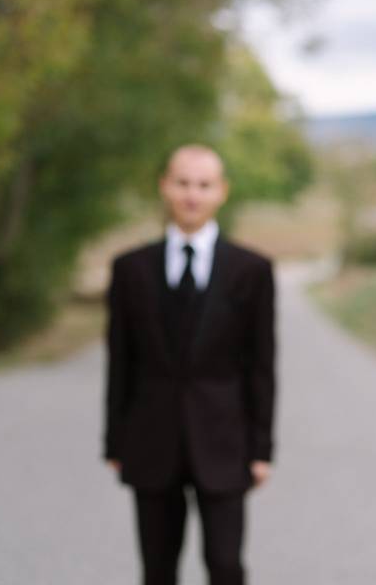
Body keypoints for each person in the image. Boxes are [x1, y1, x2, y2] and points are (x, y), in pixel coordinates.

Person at [103, 145, 275, 585]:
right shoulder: (129, 269)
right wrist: (115, 440)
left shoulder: (252, 270)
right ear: (165, 187)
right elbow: (120, 360)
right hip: (149, 437)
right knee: (157, 569)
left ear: (222, 192)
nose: (192, 195)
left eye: (203, 185)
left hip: (225, 441)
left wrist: (260, 448)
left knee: (225, 564)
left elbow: (261, 366)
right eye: (182, 183)